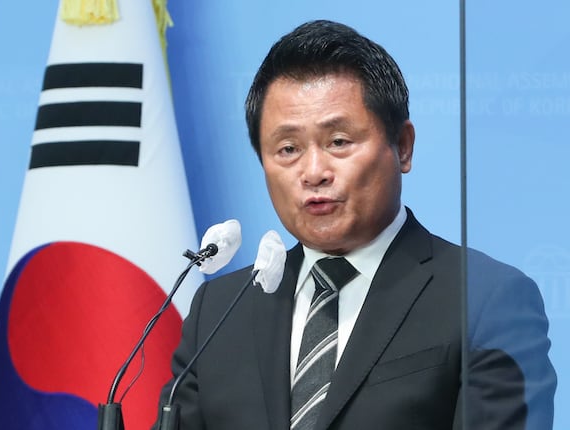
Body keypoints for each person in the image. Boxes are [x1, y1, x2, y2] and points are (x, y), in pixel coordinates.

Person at [154, 20, 556, 429]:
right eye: (288, 149)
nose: (314, 172)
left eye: (339, 142)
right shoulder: (219, 311)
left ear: (402, 147)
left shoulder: (484, 300)